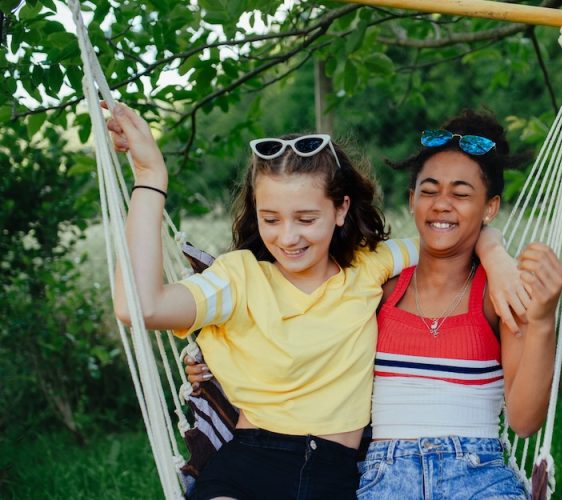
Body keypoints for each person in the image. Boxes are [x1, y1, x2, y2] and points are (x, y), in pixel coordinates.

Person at [106, 103, 525, 500]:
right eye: (271, 219)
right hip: (252, 463)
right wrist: (149, 175)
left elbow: (449, 232)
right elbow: (140, 307)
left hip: (338, 476)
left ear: (341, 209)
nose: (288, 237)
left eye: (306, 219)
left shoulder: (368, 266)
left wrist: (497, 256)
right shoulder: (238, 278)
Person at [357, 109, 562, 499]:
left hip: (478, 476)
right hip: (385, 478)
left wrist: (543, 322)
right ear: (412, 199)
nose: (442, 204)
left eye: (461, 194)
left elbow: (523, 420)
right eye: (430, 191)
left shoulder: (498, 295)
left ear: (490, 208)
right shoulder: (380, 289)